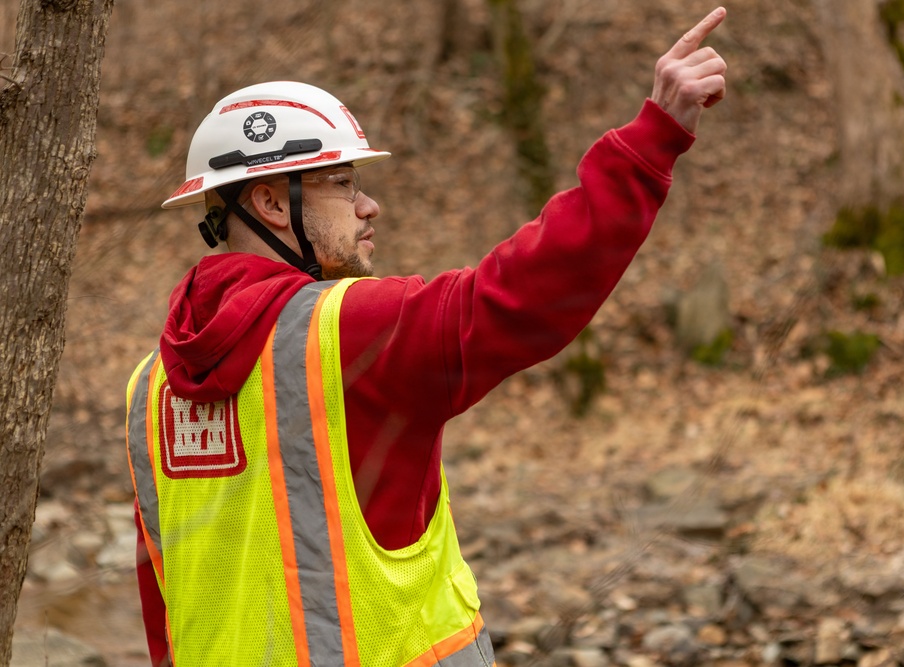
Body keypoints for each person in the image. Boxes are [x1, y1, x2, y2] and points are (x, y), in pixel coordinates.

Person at [126, 7, 728, 667]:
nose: (369, 206)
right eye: (342, 185)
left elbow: (165, 613)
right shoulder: (349, 330)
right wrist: (652, 139)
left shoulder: (149, 389)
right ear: (271, 204)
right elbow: (523, 294)